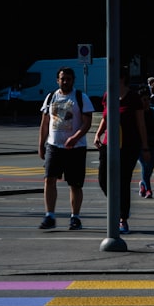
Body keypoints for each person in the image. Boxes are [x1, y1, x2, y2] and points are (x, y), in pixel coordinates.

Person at [37, 67, 93, 231]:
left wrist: (75, 137)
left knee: (75, 184)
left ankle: (75, 217)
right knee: (49, 179)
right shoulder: (50, 97)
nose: (65, 81)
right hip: (54, 146)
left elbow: (87, 122)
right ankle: (50, 216)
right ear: (57, 80)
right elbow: (44, 123)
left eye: (68, 79)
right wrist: (41, 144)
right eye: (63, 79)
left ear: (73, 80)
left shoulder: (81, 98)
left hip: (76, 149)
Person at [94, 67, 149, 235]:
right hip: (108, 144)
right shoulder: (107, 95)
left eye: (114, 76)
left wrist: (145, 147)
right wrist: (98, 133)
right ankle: (118, 206)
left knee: (123, 181)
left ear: (122, 78)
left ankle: (122, 219)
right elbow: (105, 117)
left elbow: (141, 124)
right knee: (103, 179)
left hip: (129, 146)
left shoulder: (133, 98)